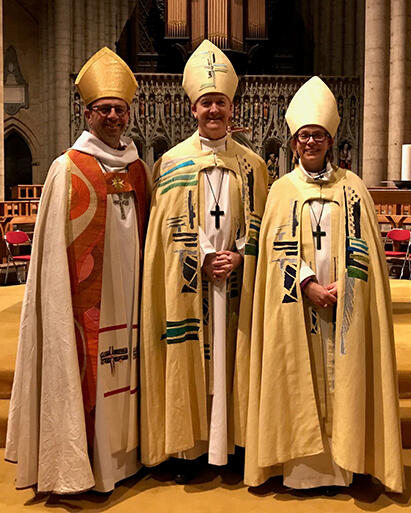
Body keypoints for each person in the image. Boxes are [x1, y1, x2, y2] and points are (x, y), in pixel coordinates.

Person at [244, 76, 404, 494]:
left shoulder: (353, 189)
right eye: (303, 136)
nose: (310, 143)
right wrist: (308, 283)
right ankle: (301, 471)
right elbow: (274, 254)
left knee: (341, 378)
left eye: (318, 135)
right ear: (294, 143)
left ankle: (347, 463)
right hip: (297, 306)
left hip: (345, 306)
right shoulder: (281, 190)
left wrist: (345, 289)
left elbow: (367, 249)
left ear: (331, 140)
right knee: (301, 378)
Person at [5, 47, 151, 494]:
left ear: (129, 114)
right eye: (103, 109)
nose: (112, 116)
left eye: (119, 109)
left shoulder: (140, 169)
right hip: (85, 298)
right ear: (87, 114)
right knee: (89, 368)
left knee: (130, 371)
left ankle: (129, 458)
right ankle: (83, 463)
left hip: (132, 294)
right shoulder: (65, 167)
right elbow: (51, 251)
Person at [140, 39, 267, 482]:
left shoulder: (253, 165)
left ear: (233, 109)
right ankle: (188, 448)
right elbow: (164, 230)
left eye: (221, 103)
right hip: (189, 283)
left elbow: (265, 227)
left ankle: (232, 444)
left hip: (235, 284)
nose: (214, 111)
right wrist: (205, 253)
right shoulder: (171, 163)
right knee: (188, 357)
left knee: (232, 358)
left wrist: (239, 255)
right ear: (193, 108)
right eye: (206, 103)